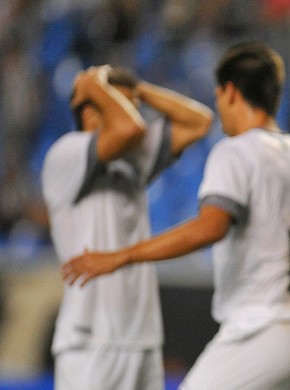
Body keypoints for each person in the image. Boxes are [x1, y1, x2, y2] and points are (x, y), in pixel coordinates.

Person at [61, 41, 290, 390]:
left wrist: (120, 255)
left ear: (229, 91)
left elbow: (211, 226)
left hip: (261, 331)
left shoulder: (235, 150)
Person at [42, 65, 213, 390]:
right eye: (123, 105)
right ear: (90, 113)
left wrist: (139, 88)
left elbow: (199, 122)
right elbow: (129, 130)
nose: (135, 112)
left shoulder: (132, 160)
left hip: (143, 337)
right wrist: (94, 86)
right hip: (90, 339)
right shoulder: (65, 153)